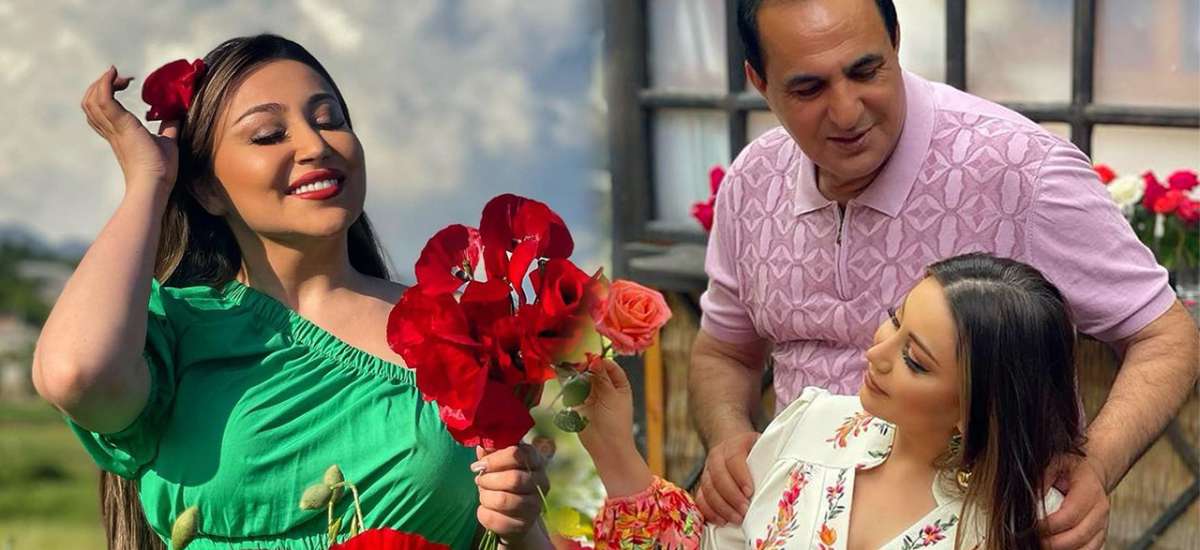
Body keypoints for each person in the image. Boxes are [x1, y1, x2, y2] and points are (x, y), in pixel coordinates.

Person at [690, 2, 1200, 548]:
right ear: (759, 82)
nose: (846, 111)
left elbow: (1165, 335)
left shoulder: (1020, 169)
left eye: (865, 71)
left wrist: (1095, 464)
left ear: (896, 41)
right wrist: (729, 438)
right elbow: (724, 352)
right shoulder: (753, 180)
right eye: (809, 88)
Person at [33, 34, 550, 550]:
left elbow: (522, 535)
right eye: (268, 135)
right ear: (207, 188)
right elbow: (75, 375)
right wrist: (149, 179)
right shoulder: (178, 331)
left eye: (330, 120)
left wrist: (517, 522)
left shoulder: (455, 330)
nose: (316, 145)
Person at [579, 253, 1082, 549]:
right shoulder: (811, 423)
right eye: (895, 319)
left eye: (915, 360)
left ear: (978, 408)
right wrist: (615, 450)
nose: (876, 353)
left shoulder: (1030, 523)